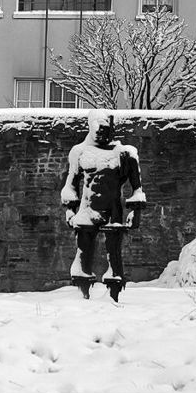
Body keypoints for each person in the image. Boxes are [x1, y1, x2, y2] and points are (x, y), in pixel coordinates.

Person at [60, 109, 146, 301]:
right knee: (83, 255)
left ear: (111, 129)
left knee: (114, 256)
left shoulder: (125, 154)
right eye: (96, 129)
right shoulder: (79, 152)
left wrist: (136, 213)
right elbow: (71, 185)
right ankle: (83, 295)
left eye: (104, 129)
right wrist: (69, 209)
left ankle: (113, 296)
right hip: (86, 210)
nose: (100, 133)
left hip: (112, 211)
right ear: (90, 128)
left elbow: (137, 189)